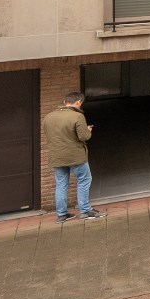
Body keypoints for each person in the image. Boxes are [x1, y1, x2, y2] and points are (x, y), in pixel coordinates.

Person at [43, 91, 100, 221]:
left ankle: (62, 215)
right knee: (84, 180)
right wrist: (88, 130)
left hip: (57, 156)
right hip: (75, 156)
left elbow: (49, 134)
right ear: (78, 102)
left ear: (64, 102)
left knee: (61, 185)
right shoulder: (77, 116)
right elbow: (83, 136)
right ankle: (85, 211)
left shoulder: (48, 117)